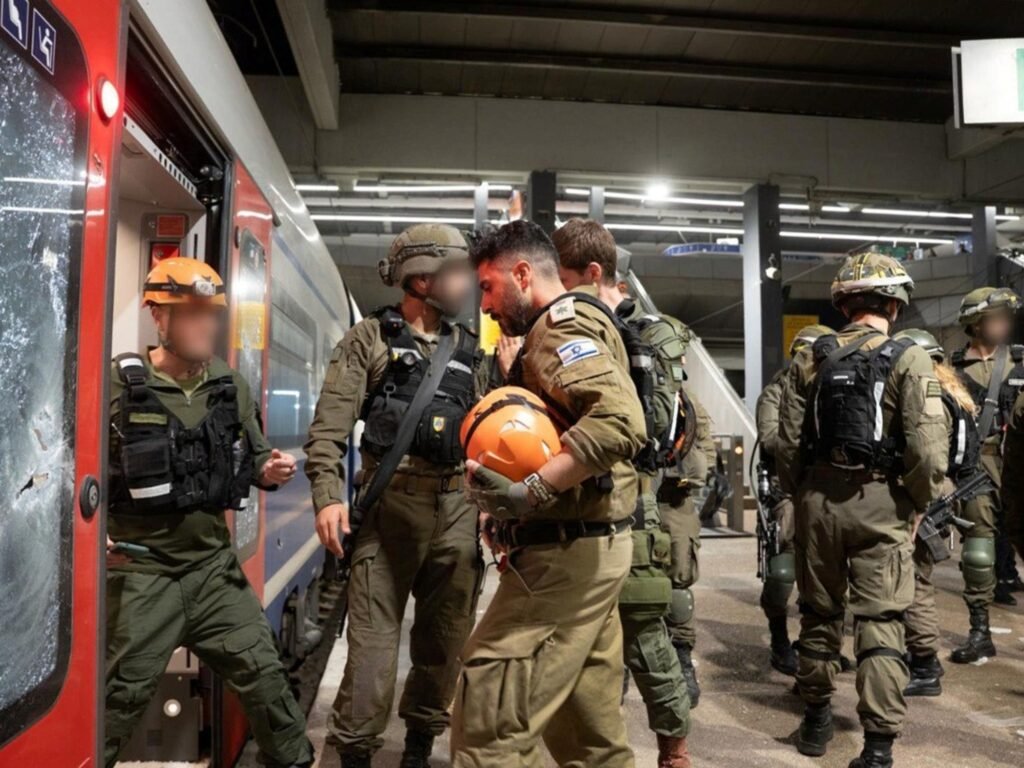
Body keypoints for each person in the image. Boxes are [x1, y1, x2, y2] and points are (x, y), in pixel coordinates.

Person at [104, 258, 313, 768]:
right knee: (118, 700)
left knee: (267, 681)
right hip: (144, 574)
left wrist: (272, 470)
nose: (207, 326)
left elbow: (256, 457)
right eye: (192, 313)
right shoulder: (116, 385)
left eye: (212, 314)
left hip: (213, 574)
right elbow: (76, 470)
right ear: (159, 315)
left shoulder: (229, 385)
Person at [452, 220, 643, 768]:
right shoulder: (557, 329)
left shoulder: (560, 328)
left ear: (521, 274)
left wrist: (528, 492)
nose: (485, 305)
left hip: (567, 559)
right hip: (586, 547)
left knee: (489, 724)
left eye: (488, 287)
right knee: (589, 741)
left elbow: (620, 421)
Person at [304, 224, 484, 768]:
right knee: (372, 651)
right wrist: (328, 497)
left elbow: (489, 434)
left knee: (445, 641)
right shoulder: (370, 340)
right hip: (390, 507)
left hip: (457, 511)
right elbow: (328, 430)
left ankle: (419, 746)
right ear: (421, 280)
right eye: (456, 273)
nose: (467, 284)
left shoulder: (469, 349)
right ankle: (356, 752)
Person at [775, 253, 946, 768]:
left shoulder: (811, 356)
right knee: (882, 621)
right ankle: (877, 747)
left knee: (819, 614)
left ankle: (815, 721)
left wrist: (801, 496)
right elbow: (927, 452)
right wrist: (918, 503)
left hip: (818, 502)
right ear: (894, 304)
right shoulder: (910, 357)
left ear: (844, 305)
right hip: (882, 503)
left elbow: (788, 444)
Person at [553, 218, 692, 767]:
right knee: (604, 640)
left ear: (597, 275)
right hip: (597, 501)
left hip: (625, 500)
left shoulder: (628, 339)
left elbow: (651, 429)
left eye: (567, 281)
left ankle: (673, 752)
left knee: (640, 633)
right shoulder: (632, 337)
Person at [894, 329, 984, 697]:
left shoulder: (930, 398)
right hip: (946, 488)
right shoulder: (952, 393)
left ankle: (925, 664)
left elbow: (926, 456)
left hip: (930, 491)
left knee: (914, 580)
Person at [755, 323, 832, 675]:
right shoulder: (777, 391)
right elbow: (771, 439)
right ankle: (779, 637)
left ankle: (817, 643)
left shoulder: (834, 387)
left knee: (827, 573)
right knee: (783, 573)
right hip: (787, 488)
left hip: (825, 488)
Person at [949, 287, 1024, 640]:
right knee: (978, 552)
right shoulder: (950, 370)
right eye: (995, 317)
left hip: (1017, 466)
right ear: (975, 323)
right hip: (975, 468)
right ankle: (979, 630)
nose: (1003, 324)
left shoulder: (1020, 363)